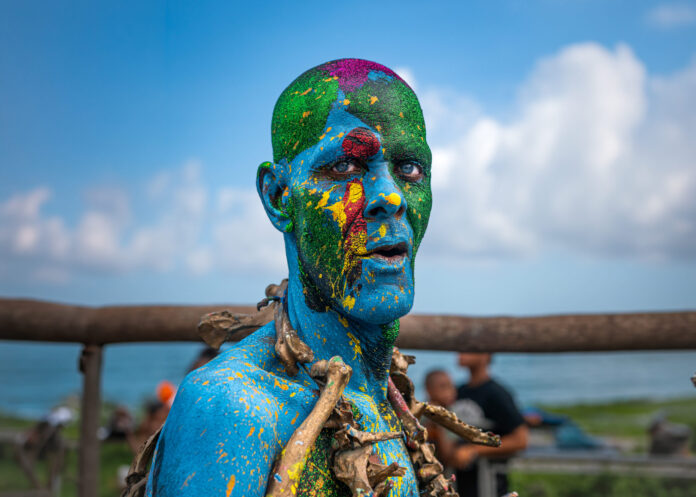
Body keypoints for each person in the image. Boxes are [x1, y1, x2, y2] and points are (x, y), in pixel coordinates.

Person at [146, 59, 434, 496]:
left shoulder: (385, 400)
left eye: (409, 168)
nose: (391, 197)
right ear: (279, 196)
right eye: (344, 167)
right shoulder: (236, 409)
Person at [452, 353, 528, 497]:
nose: (460, 352)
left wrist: (473, 450)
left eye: (469, 349)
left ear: (485, 354)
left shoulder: (497, 394)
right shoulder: (458, 391)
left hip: (488, 485)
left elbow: (520, 439)